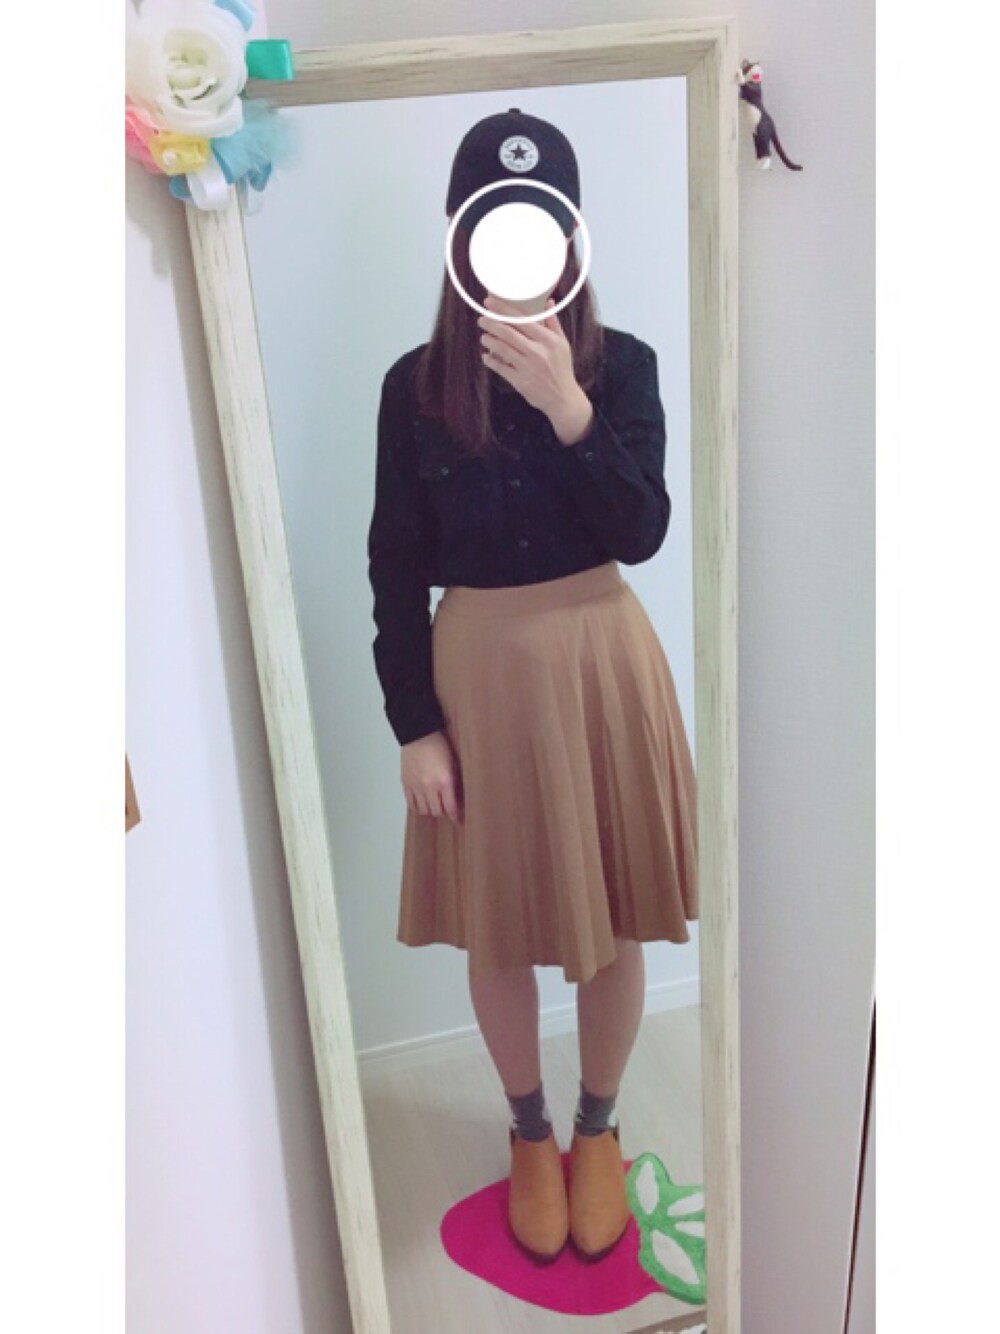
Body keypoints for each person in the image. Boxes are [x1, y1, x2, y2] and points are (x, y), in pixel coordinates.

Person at [366, 108, 698, 1265]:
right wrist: (414, 724)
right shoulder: (414, 388)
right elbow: (392, 563)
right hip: (478, 681)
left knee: (613, 916)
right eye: (493, 226)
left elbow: (642, 529)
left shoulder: (624, 367)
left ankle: (596, 1126)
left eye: (539, 224)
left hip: (602, 663)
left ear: (569, 236)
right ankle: (527, 1131)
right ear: (460, 239)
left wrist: (570, 408)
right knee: (497, 922)